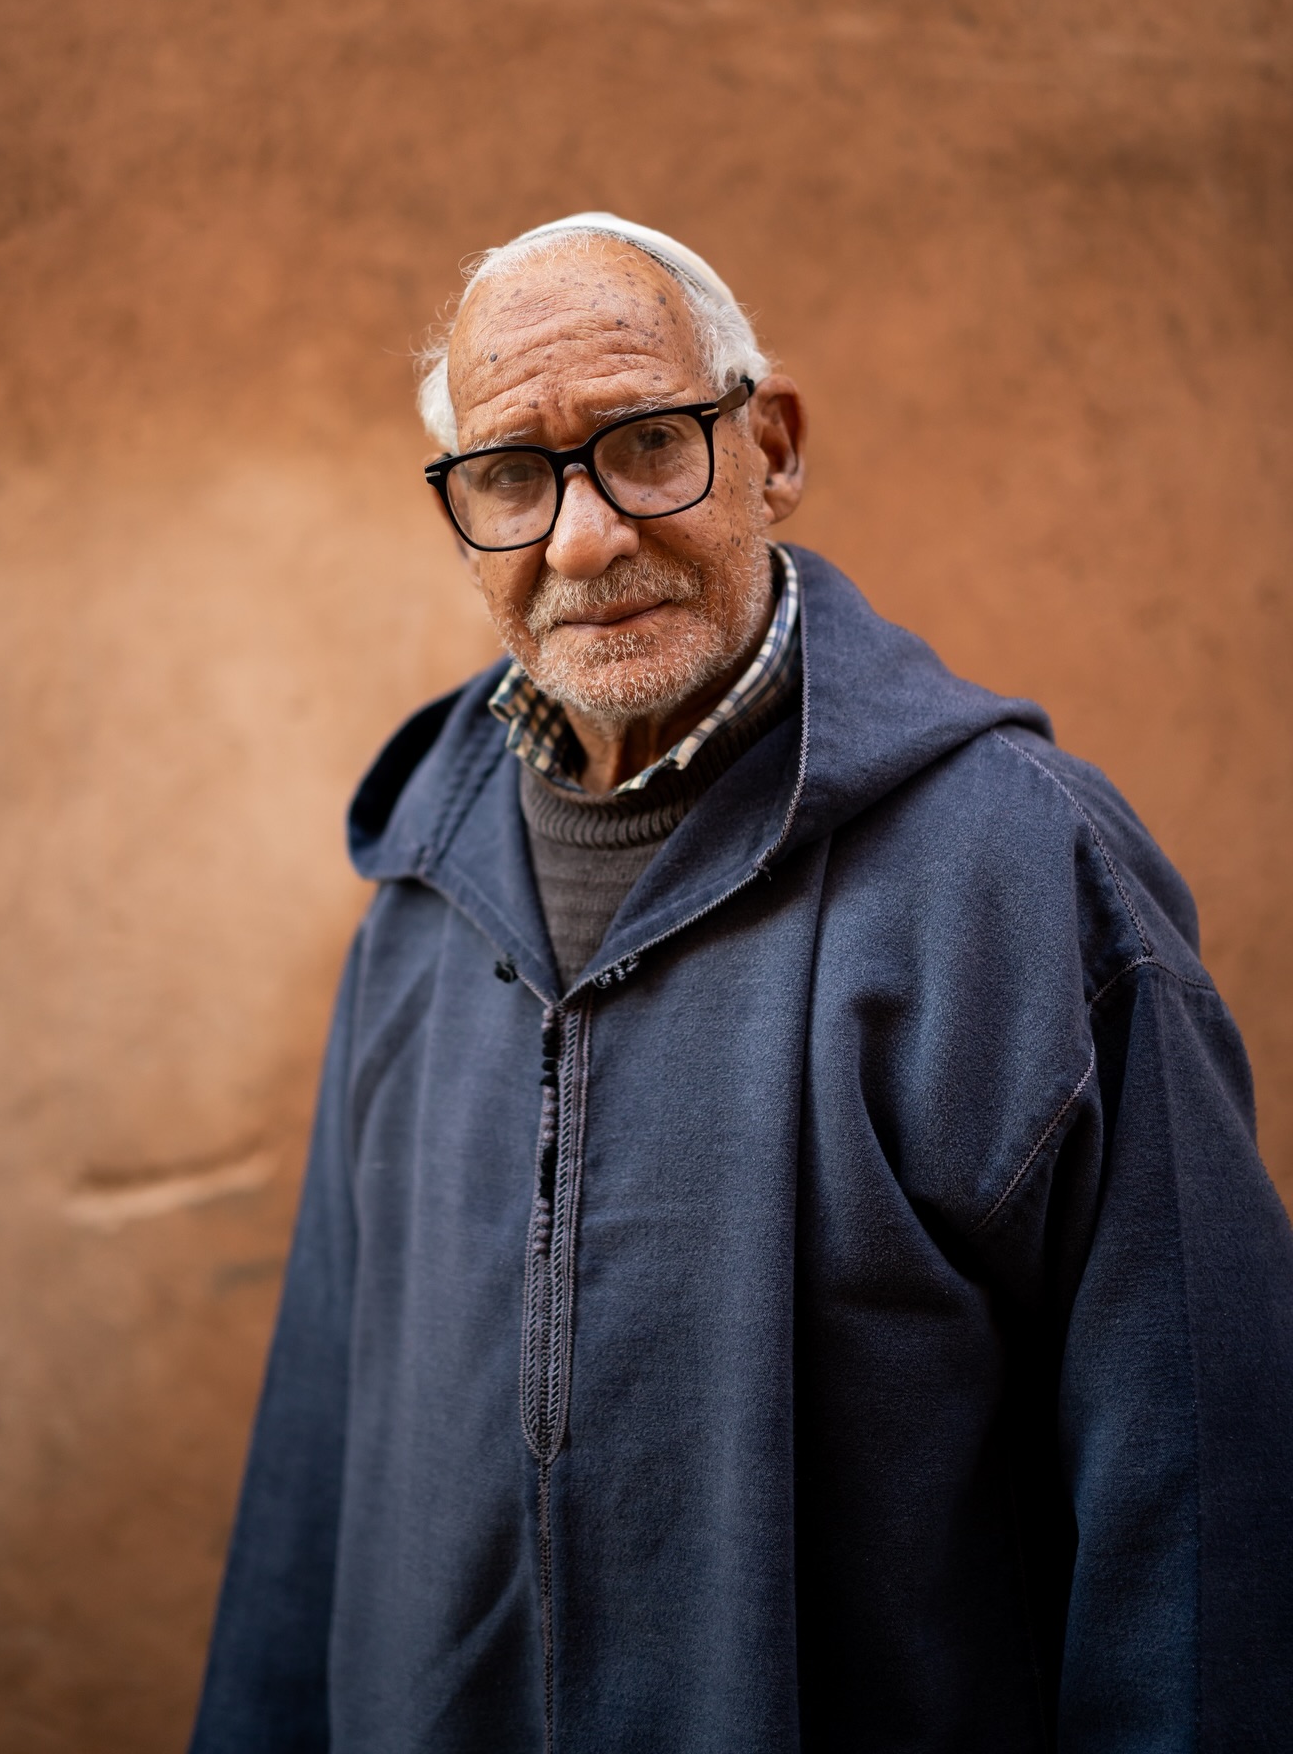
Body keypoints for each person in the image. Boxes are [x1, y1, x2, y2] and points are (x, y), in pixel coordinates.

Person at [189, 213, 1293, 1753]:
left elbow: (1208, 1539)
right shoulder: (417, 898)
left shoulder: (1033, 882)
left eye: (647, 443)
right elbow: (316, 1481)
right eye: (512, 477)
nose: (583, 538)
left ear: (769, 445)